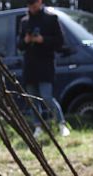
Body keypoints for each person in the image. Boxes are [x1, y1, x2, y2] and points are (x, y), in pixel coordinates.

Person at [17, 0, 69, 137]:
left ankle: (61, 124)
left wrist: (43, 40)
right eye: (29, 5)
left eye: (33, 4)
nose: (32, 7)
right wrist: (26, 41)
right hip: (30, 65)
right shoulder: (24, 22)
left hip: (45, 64)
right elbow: (19, 45)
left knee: (47, 97)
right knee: (32, 100)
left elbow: (60, 42)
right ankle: (38, 127)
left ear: (40, 2)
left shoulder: (51, 19)